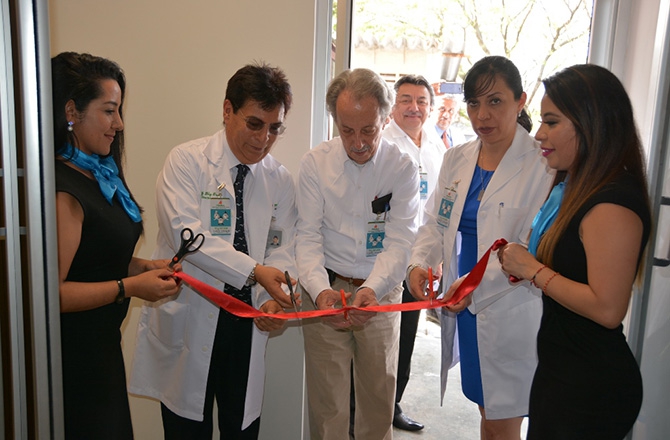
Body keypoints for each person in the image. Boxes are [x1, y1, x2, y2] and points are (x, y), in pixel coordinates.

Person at [129, 62, 297, 439]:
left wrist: (273, 299)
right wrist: (255, 272)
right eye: (254, 124)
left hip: (246, 324)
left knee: (241, 430)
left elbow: (282, 249)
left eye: (275, 128)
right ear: (227, 110)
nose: (264, 138)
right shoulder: (187, 161)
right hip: (191, 315)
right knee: (187, 429)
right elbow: (186, 235)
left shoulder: (280, 180)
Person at [498, 64, 651, 439]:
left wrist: (533, 270)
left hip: (590, 385)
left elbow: (608, 310)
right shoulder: (575, 187)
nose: (539, 133)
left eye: (551, 122)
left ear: (591, 124)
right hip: (561, 369)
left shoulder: (611, 203)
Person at [407, 56, 554, 439]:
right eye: (473, 103)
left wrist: (471, 286)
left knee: (503, 422)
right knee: (486, 413)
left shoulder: (543, 165)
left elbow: (529, 248)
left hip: (511, 306)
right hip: (467, 309)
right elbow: (435, 221)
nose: (482, 115)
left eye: (495, 101)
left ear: (520, 101)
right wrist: (419, 263)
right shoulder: (457, 158)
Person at [53, 52, 182, 439]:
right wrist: (130, 287)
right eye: (109, 111)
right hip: (71, 360)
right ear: (71, 112)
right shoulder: (63, 191)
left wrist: (142, 267)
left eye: (119, 111)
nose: (119, 124)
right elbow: (51, 294)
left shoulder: (99, 174)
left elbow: (93, 259)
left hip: (101, 352)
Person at [296, 68, 420, 440]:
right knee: (328, 405)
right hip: (326, 287)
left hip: (381, 291)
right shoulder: (315, 164)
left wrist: (372, 288)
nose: (358, 142)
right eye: (347, 130)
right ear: (335, 120)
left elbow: (400, 241)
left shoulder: (402, 166)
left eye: (368, 130)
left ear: (386, 118)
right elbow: (307, 238)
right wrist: (320, 291)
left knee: (378, 401)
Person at [381, 74, 445, 432]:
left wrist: (436, 258)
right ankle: (366, 408)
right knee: (381, 341)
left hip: (421, 263)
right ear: (394, 105)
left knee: (406, 337)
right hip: (388, 259)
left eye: (421, 101)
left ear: (430, 108)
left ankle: (393, 405)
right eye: (406, 99)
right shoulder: (384, 145)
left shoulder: (437, 148)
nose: (413, 107)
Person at [432, 81, 466, 148]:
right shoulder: (422, 133)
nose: (446, 115)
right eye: (442, 109)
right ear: (432, 109)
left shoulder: (459, 136)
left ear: (456, 114)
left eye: (451, 111)